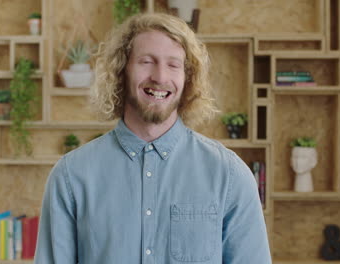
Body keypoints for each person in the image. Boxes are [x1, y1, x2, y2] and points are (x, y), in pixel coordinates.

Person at [35, 13, 271, 264]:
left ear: (187, 78)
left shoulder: (230, 176)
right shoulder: (71, 177)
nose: (160, 76)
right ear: (121, 70)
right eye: (146, 61)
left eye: (173, 64)